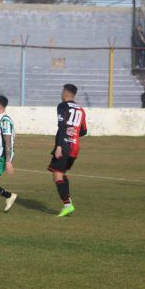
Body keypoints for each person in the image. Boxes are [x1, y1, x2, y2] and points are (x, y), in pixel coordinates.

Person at [48, 84, 87, 218]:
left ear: (65, 92)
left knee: (57, 174)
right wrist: (73, 135)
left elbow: (62, 126)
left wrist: (59, 146)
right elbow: (84, 130)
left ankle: (67, 204)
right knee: (61, 173)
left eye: (62, 91)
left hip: (64, 145)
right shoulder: (81, 109)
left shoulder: (62, 106)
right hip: (75, 147)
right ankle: (68, 202)